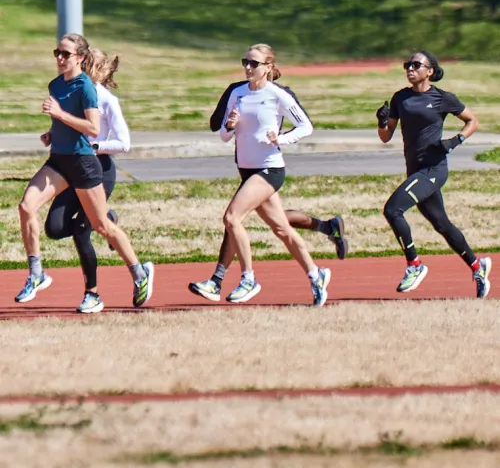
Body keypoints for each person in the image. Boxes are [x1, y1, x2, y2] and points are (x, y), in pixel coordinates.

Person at [15, 33, 154, 308]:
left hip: (83, 163)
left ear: (80, 57)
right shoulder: (55, 84)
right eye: (57, 52)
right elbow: (65, 123)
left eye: (65, 54)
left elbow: (91, 128)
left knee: (102, 225)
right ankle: (37, 273)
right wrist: (52, 134)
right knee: (26, 207)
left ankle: (139, 272)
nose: (59, 58)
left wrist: (59, 114)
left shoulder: (87, 88)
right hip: (59, 160)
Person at [188, 74, 348, 303]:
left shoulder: (279, 94)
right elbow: (221, 131)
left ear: (268, 67)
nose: (248, 67)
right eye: (246, 62)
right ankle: (316, 273)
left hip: (268, 170)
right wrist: (230, 124)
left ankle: (244, 279)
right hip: (247, 168)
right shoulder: (237, 91)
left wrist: (281, 139)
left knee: (233, 219)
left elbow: (305, 126)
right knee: (281, 227)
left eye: (254, 63)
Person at [376, 50, 491, 298]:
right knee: (442, 224)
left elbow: (472, 120)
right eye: (407, 64)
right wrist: (382, 122)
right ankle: (477, 266)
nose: (410, 68)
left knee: (392, 210)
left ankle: (414, 265)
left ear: (429, 71)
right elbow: (386, 137)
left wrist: (454, 141)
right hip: (415, 170)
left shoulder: (442, 98)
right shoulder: (400, 98)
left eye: (416, 65)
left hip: (434, 169)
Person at [44, 48, 129, 313]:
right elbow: (71, 126)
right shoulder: (76, 91)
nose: (87, 66)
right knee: (55, 228)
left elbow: (124, 143)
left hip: (98, 169)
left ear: (102, 70)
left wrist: (96, 146)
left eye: (93, 62)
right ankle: (106, 220)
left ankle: (92, 294)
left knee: (82, 234)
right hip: (73, 166)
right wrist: (52, 134)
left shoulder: (105, 99)